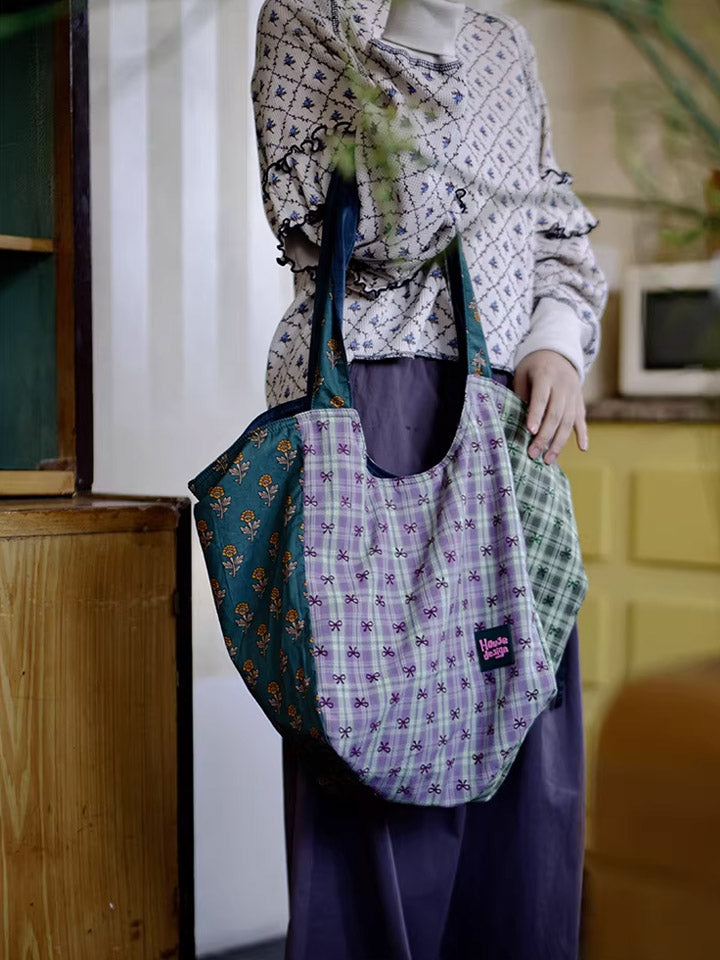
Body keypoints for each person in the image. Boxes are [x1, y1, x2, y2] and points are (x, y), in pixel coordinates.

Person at [251, 1, 608, 957]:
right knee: (380, 765)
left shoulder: (501, 37)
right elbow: (384, 234)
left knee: (526, 774)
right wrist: (422, 24)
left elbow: (558, 230)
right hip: (381, 407)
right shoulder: (311, 12)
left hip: (508, 415)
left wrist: (556, 340)